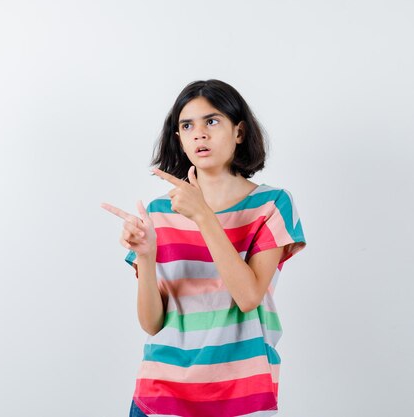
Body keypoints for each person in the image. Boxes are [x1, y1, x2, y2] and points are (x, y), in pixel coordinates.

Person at [101, 79, 307, 417]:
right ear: (179, 138)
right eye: (187, 125)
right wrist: (146, 256)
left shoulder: (271, 204)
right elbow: (152, 323)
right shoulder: (158, 212)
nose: (199, 133)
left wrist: (203, 215)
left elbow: (249, 296)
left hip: (240, 395)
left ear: (239, 132)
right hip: (160, 394)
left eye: (212, 121)